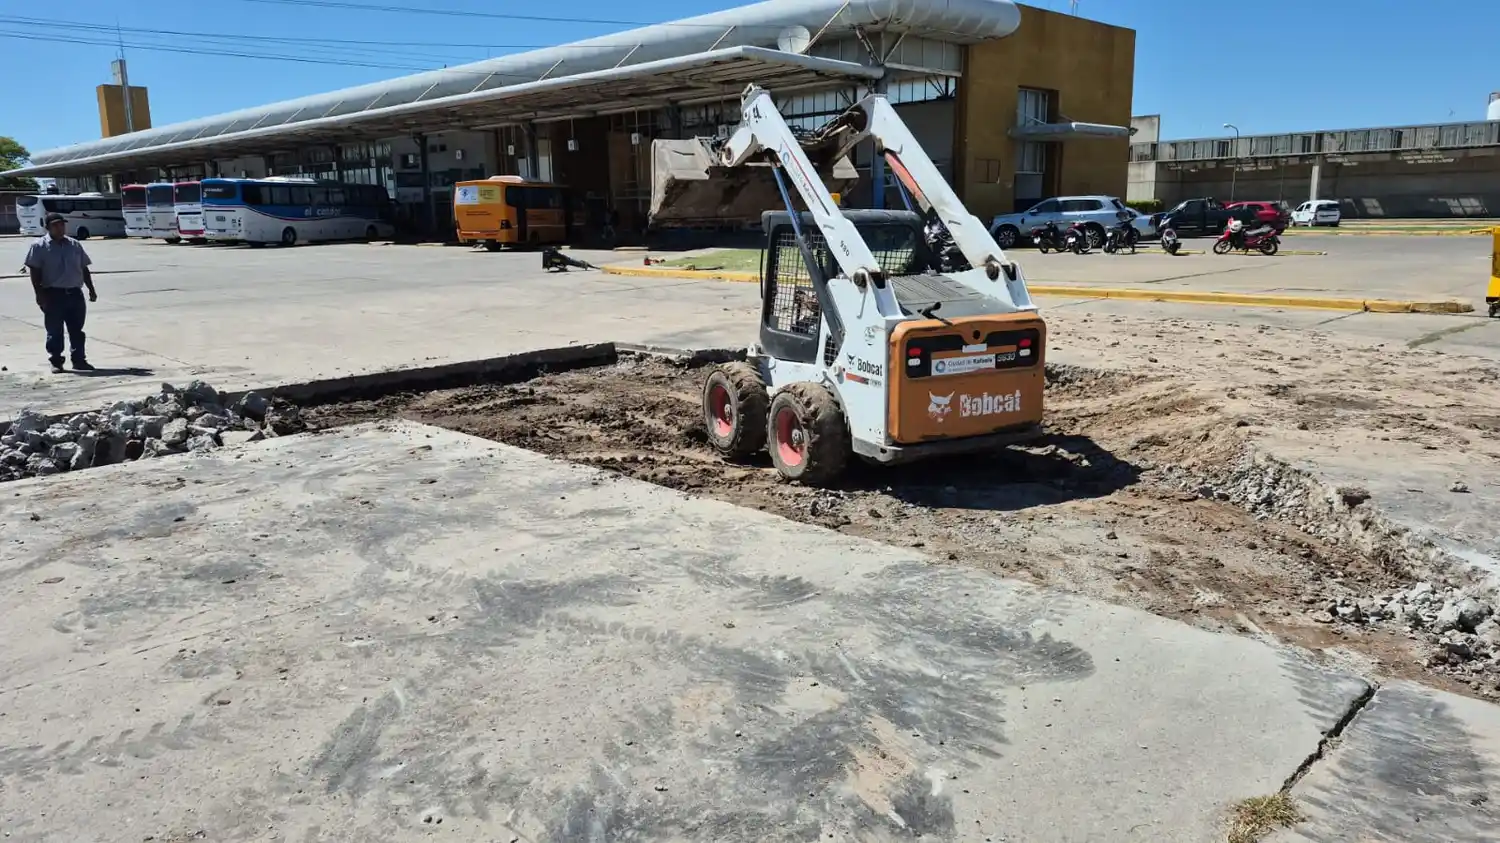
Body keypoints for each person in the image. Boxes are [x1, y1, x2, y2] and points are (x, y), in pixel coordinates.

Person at [24, 213, 97, 373]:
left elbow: (84, 268)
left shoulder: (74, 244)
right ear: (48, 227)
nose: (60, 228)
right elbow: (35, 271)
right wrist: (39, 294)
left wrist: (91, 288)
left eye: (62, 225)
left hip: (75, 294)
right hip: (53, 295)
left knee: (77, 330)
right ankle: (56, 361)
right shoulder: (39, 246)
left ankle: (79, 360)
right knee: (54, 330)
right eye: (56, 225)